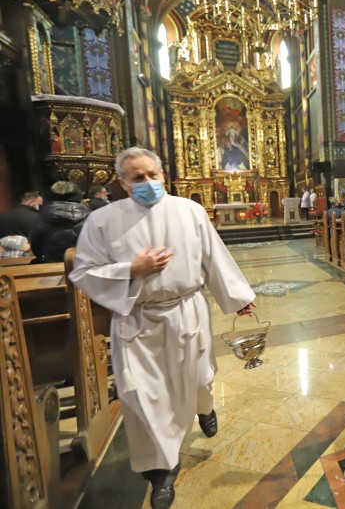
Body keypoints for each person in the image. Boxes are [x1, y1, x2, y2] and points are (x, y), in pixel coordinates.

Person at [69, 147, 256, 509]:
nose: (148, 183)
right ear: (122, 183)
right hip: (138, 321)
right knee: (143, 396)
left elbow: (213, 257)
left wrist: (237, 297)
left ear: (163, 175)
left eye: (153, 174)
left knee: (199, 379)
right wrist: (130, 270)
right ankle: (162, 471)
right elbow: (83, 271)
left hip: (187, 311)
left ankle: (205, 407)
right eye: (138, 178)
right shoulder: (102, 221)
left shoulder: (190, 210)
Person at [30, 181, 90, 263]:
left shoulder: (40, 218)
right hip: (84, 266)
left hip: (49, 267)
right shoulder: (91, 217)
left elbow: (36, 248)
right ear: (78, 196)